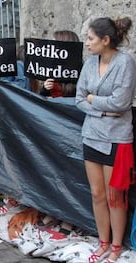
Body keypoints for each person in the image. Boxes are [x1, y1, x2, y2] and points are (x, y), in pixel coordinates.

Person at [75, 17, 136, 263]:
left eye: (90, 38)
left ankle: (117, 246)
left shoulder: (125, 62)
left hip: (116, 139)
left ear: (105, 40)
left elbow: (121, 102)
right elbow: (79, 98)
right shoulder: (90, 63)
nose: (87, 43)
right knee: (97, 194)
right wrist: (102, 108)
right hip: (91, 136)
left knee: (115, 197)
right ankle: (103, 242)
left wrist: (93, 100)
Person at [40, 30, 80, 98]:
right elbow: (43, 97)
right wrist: (45, 88)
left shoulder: (82, 70)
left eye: (55, 44)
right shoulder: (51, 68)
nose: (52, 47)